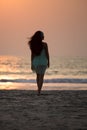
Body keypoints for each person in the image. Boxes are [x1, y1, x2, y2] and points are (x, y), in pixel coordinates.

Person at [28, 31, 50, 95]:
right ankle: (39, 91)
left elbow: (32, 55)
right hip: (43, 62)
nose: (44, 36)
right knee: (41, 77)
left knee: (38, 76)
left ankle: (38, 90)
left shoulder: (34, 45)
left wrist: (32, 63)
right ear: (40, 37)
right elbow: (47, 54)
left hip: (36, 62)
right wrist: (48, 62)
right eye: (43, 35)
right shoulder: (45, 44)